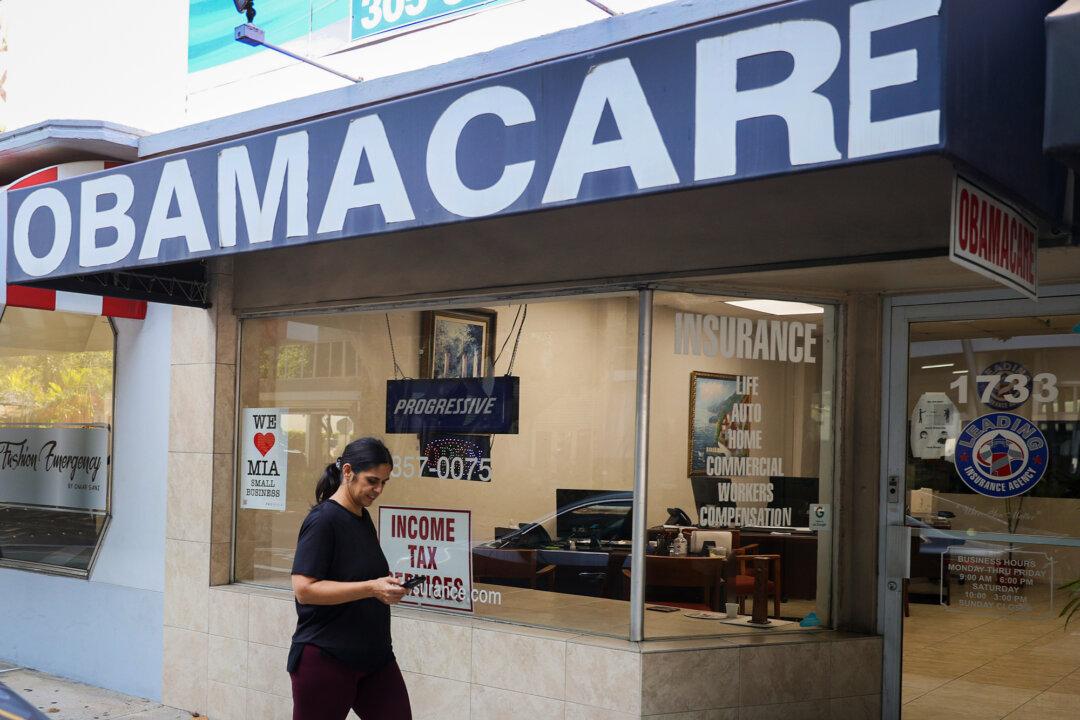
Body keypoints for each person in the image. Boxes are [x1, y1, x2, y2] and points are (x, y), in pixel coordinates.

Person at [288, 437, 412, 720]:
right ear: (347, 472)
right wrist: (371, 588)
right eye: (372, 480)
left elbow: (359, 576)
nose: (378, 489)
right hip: (326, 658)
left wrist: (387, 586)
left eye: (384, 482)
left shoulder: (362, 518)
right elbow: (304, 589)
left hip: (376, 656)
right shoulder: (323, 520)